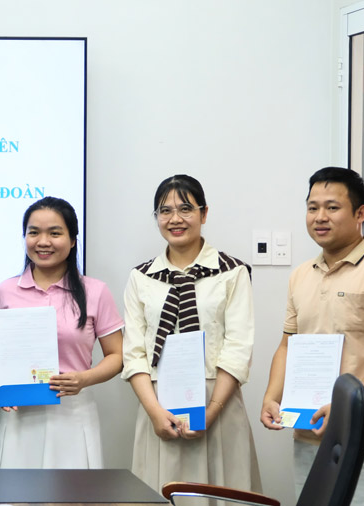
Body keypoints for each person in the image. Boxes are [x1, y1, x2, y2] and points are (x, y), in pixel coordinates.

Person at [260, 167, 364, 505]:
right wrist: (270, 396)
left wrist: (347, 408)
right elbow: (287, 344)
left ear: (360, 213)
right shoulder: (300, 275)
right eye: (312, 207)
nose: (320, 217)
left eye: (332, 207)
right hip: (310, 433)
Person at [122, 174, 261, 494]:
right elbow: (134, 353)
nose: (175, 219)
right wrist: (155, 413)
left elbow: (238, 346)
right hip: (158, 404)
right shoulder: (141, 277)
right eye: (164, 211)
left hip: (218, 404)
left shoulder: (232, 272)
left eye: (185, 209)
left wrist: (211, 411)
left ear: (204, 213)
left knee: (219, 492)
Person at [0, 197, 123, 468]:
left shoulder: (95, 291)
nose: (43, 241)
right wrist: (4, 378)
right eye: (34, 232)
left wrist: (83, 379)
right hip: (19, 415)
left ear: (73, 240)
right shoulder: (5, 290)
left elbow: (117, 356)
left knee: (70, 496)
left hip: (72, 413)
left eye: (55, 233)